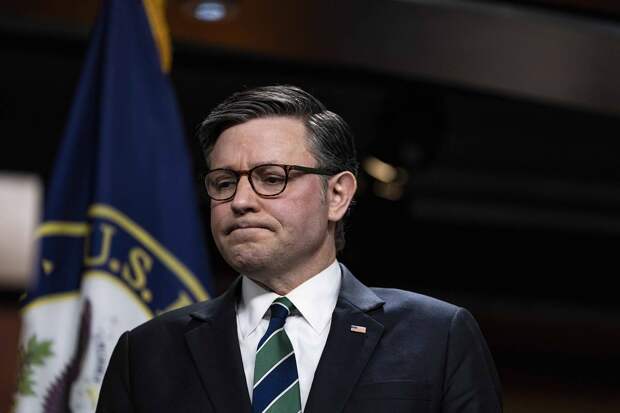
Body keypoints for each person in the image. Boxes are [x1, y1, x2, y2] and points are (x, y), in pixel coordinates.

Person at [96, 85, 503, 413]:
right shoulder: (147, 352)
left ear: (337, 195)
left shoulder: (437, 337)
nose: (240, 201)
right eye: (224, 183)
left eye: (271, 178)